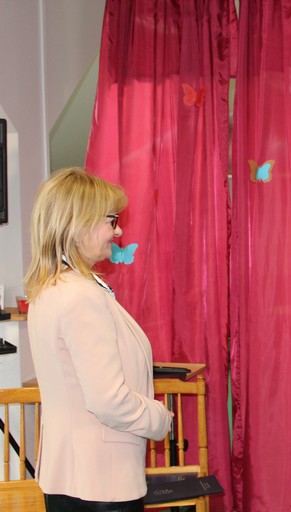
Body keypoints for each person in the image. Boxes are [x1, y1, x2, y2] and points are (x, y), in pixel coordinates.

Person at [24, 167, 173, 512]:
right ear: (78, 225)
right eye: (111, 220)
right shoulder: (80, 296)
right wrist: (160, 419)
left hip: (76, 478)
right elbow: (108, 401)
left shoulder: (53, 288)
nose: (118, 231)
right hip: (101, 482)